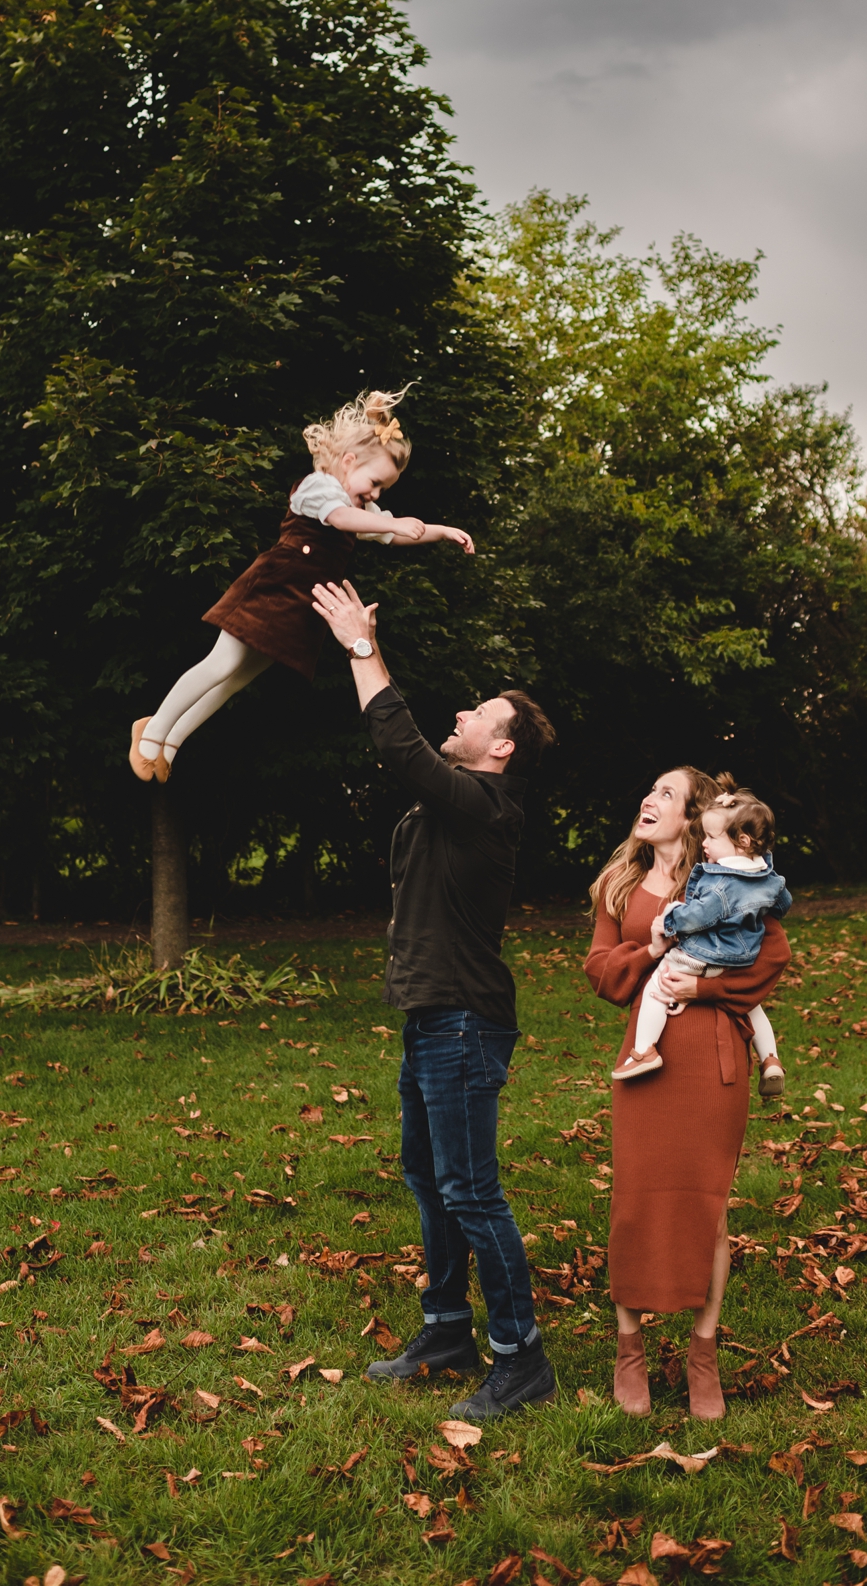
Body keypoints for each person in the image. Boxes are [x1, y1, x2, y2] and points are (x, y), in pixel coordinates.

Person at [310, 573, 560, 1423]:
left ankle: (521, 1359)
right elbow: (412, 759)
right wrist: (365, 649)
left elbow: (401, 747)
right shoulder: (457, 806)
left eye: (477, 715)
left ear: (502, 751)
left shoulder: (487, 807)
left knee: (468, 1189)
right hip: (434, 1019)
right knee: (428, 1177)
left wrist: (359, 647)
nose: (461, 714)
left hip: (463, 1021)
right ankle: (447, 1332)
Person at [128, 389, 474, 780]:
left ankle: (170, 745)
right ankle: (151, 731)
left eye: (383, 492)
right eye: (375, 483)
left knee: (237, 679)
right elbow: (343, 519)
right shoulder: (319, 488)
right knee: (220, 663)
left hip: (297, 607)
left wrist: (441, 531)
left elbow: (394, 533)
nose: (376, 496)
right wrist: (392, 522)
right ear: (348, 461)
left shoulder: (365, 510)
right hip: (271, 589)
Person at [584, 766, 791, 1419]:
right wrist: (653, 950)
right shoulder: (618, 885)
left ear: (695, 814)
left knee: (709, 1210)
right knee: (634, 1204)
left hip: (712, 1059)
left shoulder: (729, 880)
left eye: (665, 794)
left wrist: (701, 987)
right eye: (647, 790)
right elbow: (601, 970)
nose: (648, 799)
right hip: (644, 1063)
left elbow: (770, 962)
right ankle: (630, 1351)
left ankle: (702, 1357)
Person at [612, 786, 789, 1097]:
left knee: (659, 986)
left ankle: (644, 1051)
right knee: (754, 1007)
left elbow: (699, 917)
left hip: (701, 956)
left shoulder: (721, 883)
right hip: (740, 957)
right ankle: (770, 1058)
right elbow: (782, 903)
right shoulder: (768, 876)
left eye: (711, 837)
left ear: (741, 841)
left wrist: (669, 921)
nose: (705, 843)